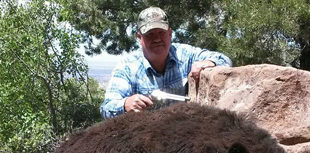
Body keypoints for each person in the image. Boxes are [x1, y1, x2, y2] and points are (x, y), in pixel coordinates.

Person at [100, 7, 233, 120]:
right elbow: (106, 108)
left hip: (182, 136)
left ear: (169, 33)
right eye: (150, 34)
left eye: (161, 33)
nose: (157, 38)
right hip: (145, 139)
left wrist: (209, 62)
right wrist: (125, 105)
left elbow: (224, 59)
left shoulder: (185, 54)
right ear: (140, 38)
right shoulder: (127, 68)